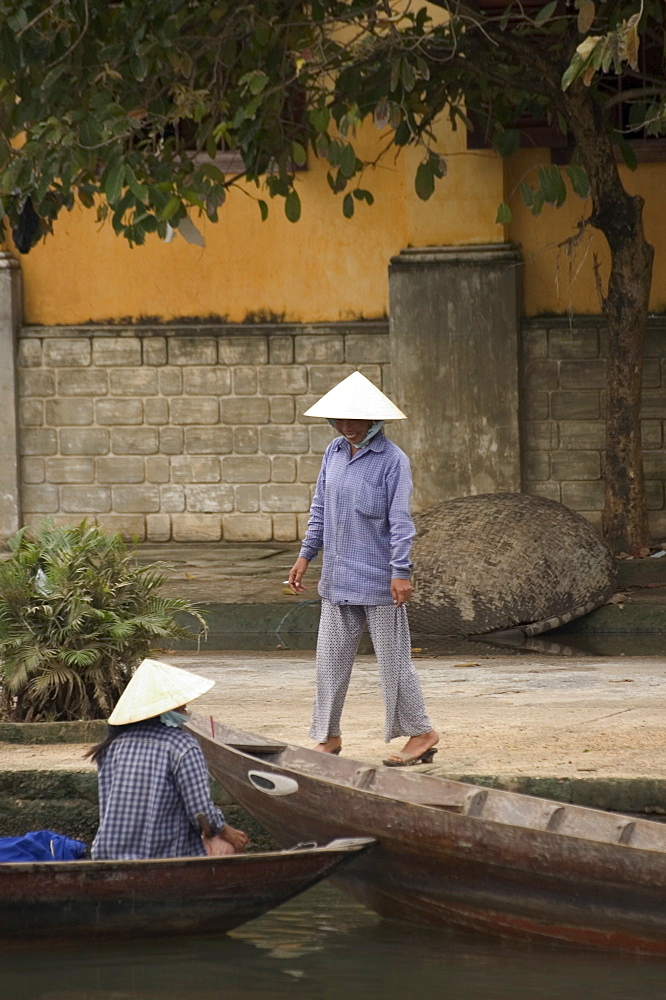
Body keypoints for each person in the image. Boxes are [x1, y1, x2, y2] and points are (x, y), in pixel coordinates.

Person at [288, 371, 439, 767]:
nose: (348, 427)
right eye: (340, 420)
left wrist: (400, 572)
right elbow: (320, 508)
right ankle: (328, 737)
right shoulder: (333, 453)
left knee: (394, 662)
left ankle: (421, 733)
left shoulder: (393, 461)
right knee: (330, 663)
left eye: (356, 421)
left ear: (376, 421)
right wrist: (306, 554)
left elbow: (401, 523)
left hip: (379, 581)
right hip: (337, 579)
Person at [86, 657, 249, 860]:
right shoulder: (182, 746)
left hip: (107, 856)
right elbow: (201, 813)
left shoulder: (111, 746)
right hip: (165, 856)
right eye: (180, 703)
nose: (185, 707)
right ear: (163, 709)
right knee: (226, 846)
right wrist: (228, 833)